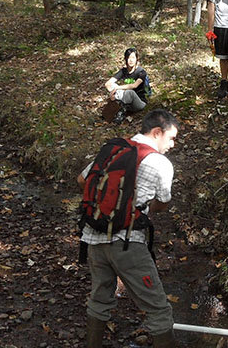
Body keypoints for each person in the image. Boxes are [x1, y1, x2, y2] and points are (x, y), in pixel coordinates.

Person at [81, 110, 180, 347]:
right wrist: (138, 208)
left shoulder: (112, 149)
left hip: (93, 238)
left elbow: (82, 180)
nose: (173, 144)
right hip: (128, 242)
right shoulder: (160, 162)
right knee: (158, 309)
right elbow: (163, 203)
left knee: (99, 299)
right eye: (172, 138)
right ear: (157, 132)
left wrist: (106, 207)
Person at [102, 47, 151, 123]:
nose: (130, 60)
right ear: (125, 59)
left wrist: (118, 88)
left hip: (139, 102)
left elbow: (134, 85)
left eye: (133, 58)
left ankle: (120, 112)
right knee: (117, 89)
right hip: (127, 102)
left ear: (137, 59)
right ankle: (114, 110)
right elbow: (108, 84)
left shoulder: (141, 72)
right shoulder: (123, 71)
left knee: (129, 92)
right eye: (128, 58)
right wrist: (113, 93)